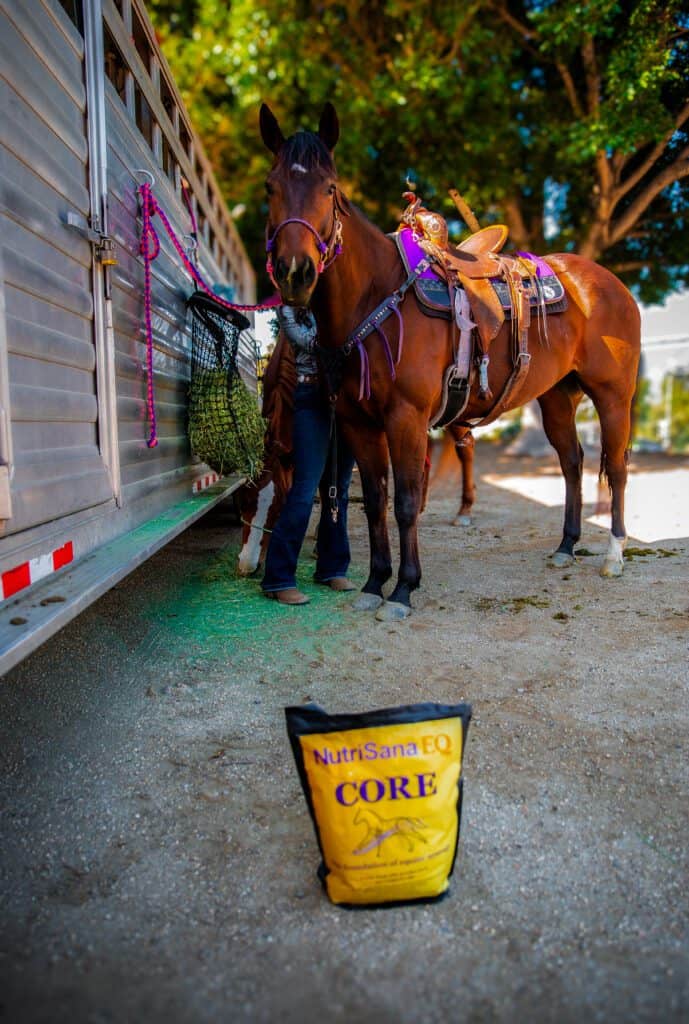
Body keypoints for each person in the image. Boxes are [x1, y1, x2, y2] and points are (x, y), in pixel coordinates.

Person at [261, 306, 355, 605]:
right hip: (312, 394)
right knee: (304, 489)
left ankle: (332, 567)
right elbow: (303, 338)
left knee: (338, 488)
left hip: (348, 398)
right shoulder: (295, 303)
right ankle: (278, 579)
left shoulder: (350, 294)